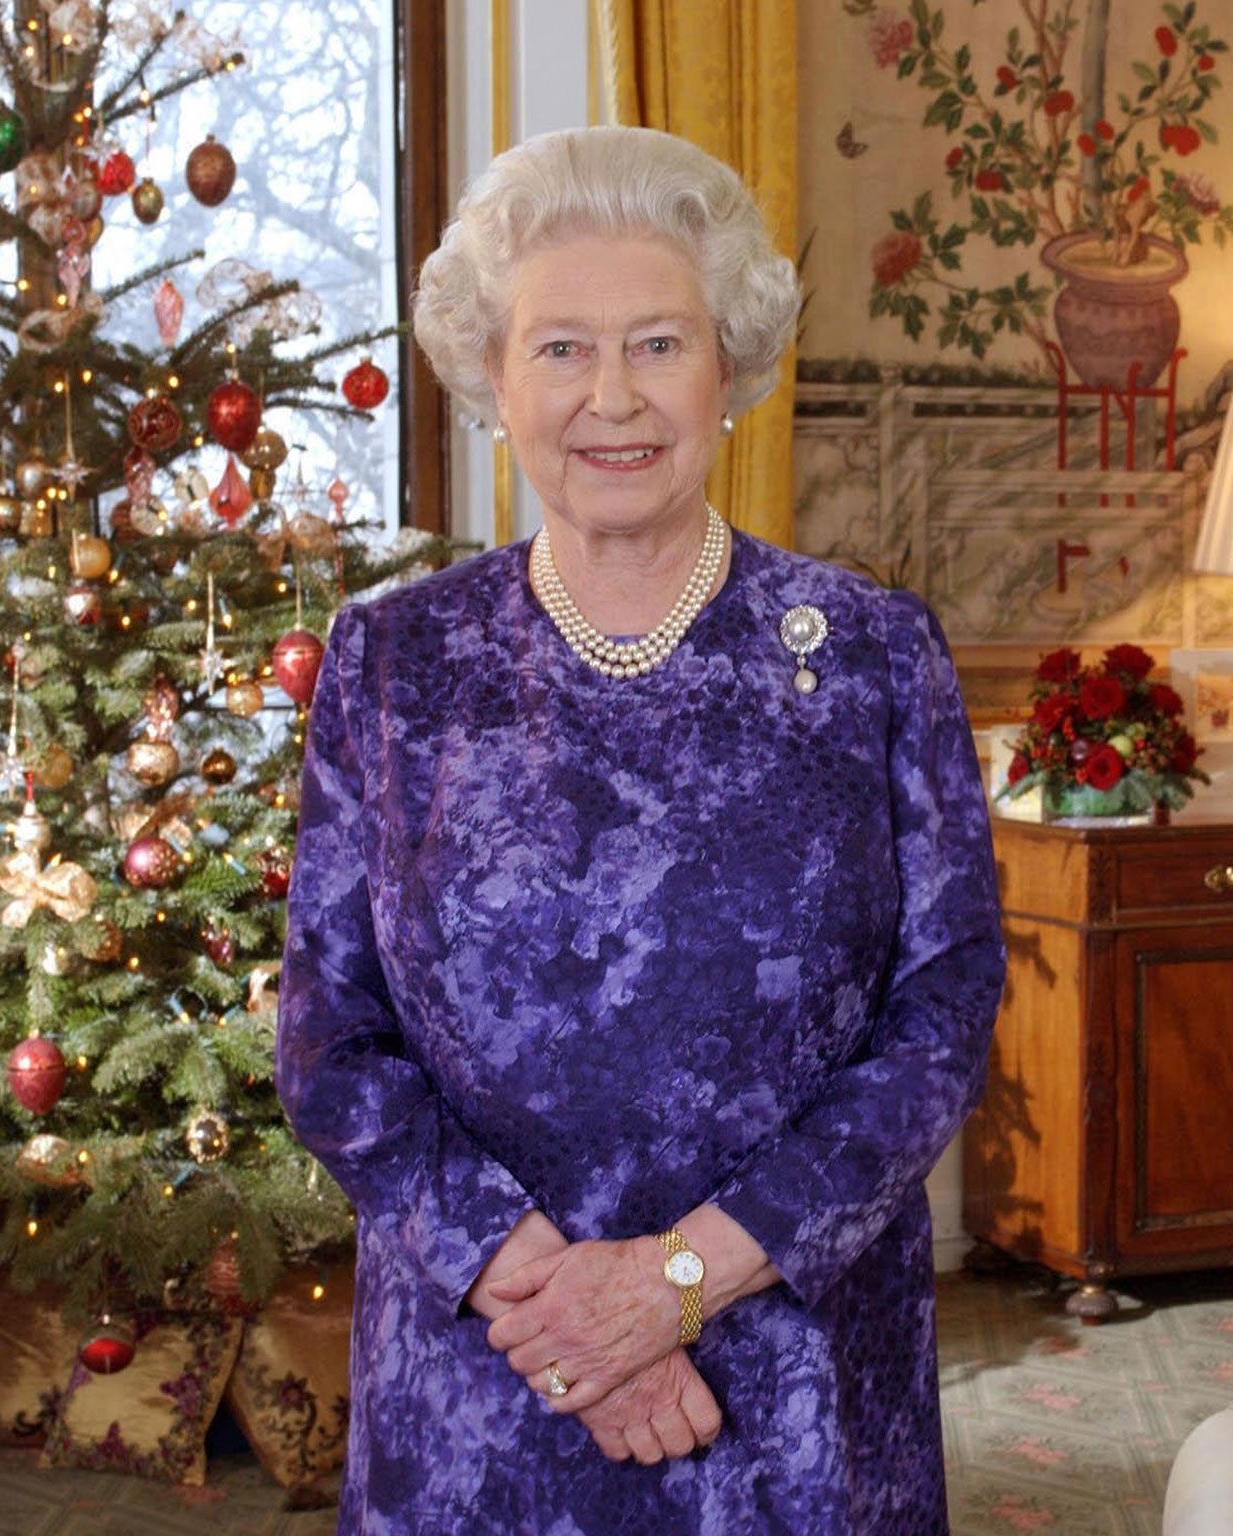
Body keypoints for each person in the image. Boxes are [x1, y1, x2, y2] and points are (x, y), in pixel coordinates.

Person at [274, 125, 1006, 1535]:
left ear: (729, 368)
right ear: (492, 378)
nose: (612, 397)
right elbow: (328, 1041)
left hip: (790, 1390)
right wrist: (560, 1306)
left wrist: (676, 1286)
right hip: (491, 1380)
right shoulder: (392, 662)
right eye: (560, 350)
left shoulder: (868, 656)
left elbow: (941, 1017)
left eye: (659, 344)